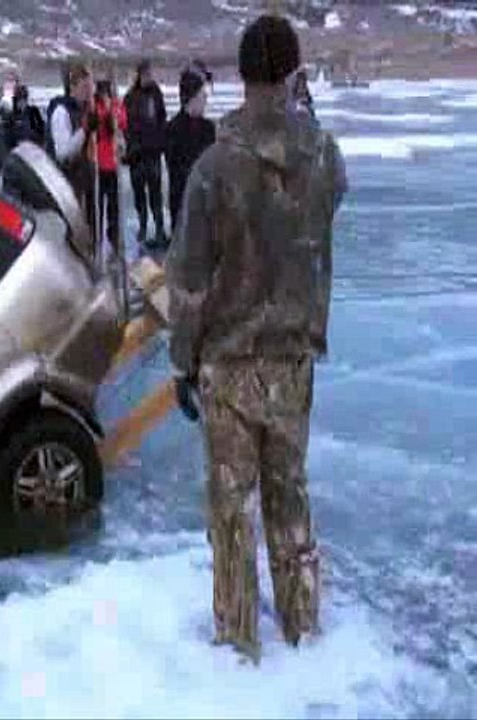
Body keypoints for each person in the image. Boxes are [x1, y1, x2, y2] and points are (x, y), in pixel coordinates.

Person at [165, 15, 348, 663]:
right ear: (296, 74)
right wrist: (306, 122)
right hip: (293, 362)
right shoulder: (324, 154)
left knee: (233, 513)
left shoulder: (214, 168)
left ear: (241, 78)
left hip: (229, 366)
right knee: (289, 496)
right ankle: (303, 630)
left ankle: (239, 647)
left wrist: (182, 361)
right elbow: (334, 192)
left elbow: (186, 278)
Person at [166, 64, 216, 233]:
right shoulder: (173, 129)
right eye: (203, 95)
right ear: (192, 97)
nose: (206, 100)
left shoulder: (209, 129)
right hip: (184, 205)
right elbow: (175, 170)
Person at [123, 59, 167, 248]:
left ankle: (159, 228)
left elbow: (162, 118)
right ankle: (142, 225)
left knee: (155, 193)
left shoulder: (156, 94)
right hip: (136, 155)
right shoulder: (130, 97)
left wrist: (159, 142)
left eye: (151, 74)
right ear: (139, 75)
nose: (149, 78)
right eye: (146, 74)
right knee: (139, 193)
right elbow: (125, 124)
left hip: (152, 153)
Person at [47, 63, 97, 226]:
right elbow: (63, 152)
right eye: (84, 88)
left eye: (90, 88)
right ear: (73, 87)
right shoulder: (62, 112)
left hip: (84, 181)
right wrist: (84, 130)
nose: (88, 93)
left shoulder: (84, 111)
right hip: (68, 183)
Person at [89, 79, 127, 255]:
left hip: (112, 164)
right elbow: (94, 125)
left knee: (113, 206)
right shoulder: (94, 107)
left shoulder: (116, 105)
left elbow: (121, 123)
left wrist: (112, 109)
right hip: (99, 163)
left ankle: (114, 237)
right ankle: (97, 237)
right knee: (98, 206)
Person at [8, 83, 46, 149]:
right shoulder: (12, 115)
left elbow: (41, 129)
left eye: (22, 99)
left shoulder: (33, 111)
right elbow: (10, 134)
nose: (21, 103)